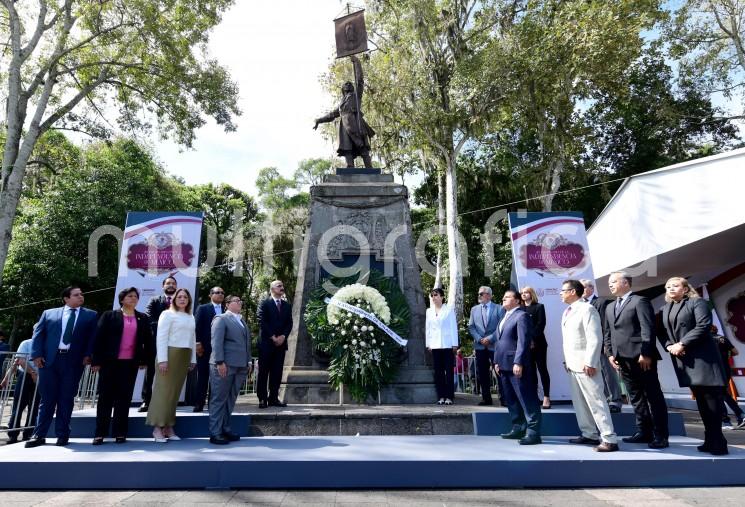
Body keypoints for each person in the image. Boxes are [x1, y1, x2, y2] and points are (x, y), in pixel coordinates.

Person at [662, 277, 728, 455]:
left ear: (685, 288)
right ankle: (709, 439)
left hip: (703, 359)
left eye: (675, 286)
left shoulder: (696, 302)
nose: (670, 289)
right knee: (701, 401)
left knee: (712, 402)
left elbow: (703, 325)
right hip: (685, 360)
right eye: (667, 287)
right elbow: (661, 331)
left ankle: (719, 442)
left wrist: (682, 343)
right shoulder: (666, 308)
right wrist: (669, 345)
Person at [26, 286, 98, 448]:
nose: (81, 297)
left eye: (81, 294)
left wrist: (88, 355)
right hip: (49, 361)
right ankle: (39, 435)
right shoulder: (49, 313)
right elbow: (39, 334)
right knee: (47, 399)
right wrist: (36, 355)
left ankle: (63, 434)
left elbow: (92, 338)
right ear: (66, 298)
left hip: (73, 362)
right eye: (76, 295)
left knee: (66, 399)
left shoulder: (91, 315)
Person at [604, 271, 669, 449]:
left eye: (614, 281)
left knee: (653, 396)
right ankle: (643, 431)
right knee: (635, 397)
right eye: (609, 282)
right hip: (621, 359)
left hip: (641, 357)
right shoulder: (610, 307)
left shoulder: (639, 301)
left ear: (626, 283)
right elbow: (608, 333)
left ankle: (661, 435)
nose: (610, 285)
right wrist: (610, 353)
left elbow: (647, 328)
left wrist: (646, 353)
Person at [560, 279, 619, 452]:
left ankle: (609, 438)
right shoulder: (567, 311)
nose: (561, 294)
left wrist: (591, 362)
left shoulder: (587, 309)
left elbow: (595, 338)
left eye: (563, 290)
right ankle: (589, 434)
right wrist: (567, 361)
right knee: (580, 403)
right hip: (573, 365)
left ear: (573, 292)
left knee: (597, 402)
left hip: (587, 365)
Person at [90, 287, 153, 445]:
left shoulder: (142, 318)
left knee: (124, 399)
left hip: (130, 364)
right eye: (130, 296)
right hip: (109, 363)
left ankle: (120, 432)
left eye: (135, 296)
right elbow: (99, 339)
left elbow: (148, 342)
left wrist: (144, 360)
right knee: (105, 398)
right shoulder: (109, 315)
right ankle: (100, 433)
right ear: (122, 299)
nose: (133, 298)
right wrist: (96, 361)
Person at [146, 288, 196, 442]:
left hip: (184, 355)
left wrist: (193, 359)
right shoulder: (167, 314)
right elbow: (161, 337)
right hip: (169, 354)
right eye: (179, 297)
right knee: (164, 392)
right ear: (174, 299)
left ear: (188, 300)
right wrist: (162, 359)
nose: (182, 299)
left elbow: (193, 339)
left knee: (175, 394)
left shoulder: (190, 316)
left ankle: (168, 427)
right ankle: (157, 428)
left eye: (185, 297)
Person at [494, 289, 541, 445]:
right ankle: (517, 427)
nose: (503, 299)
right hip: (503, 365)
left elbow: (523, 341)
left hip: (516, 365)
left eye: (507, 297)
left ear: (517, 301)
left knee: (526, 398)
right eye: (504, 296)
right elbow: (499, 341)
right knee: (511, 399)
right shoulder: (503, 317)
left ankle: (533, 432)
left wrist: (518, 362)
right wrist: (496, 362)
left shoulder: (522, 316)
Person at [313, 55, 375, 168]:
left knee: (362, 146)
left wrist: (356, 62)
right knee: (347, 148)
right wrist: (319, 120)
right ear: (342, 89)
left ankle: (369, 167)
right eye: (345, 84)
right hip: (345, 126)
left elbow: (360, 80)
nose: (348, 84)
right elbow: (331, 115)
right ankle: (349, 166)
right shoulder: (341, 105)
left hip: (356, 123)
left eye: (349, 83)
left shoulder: (356, 96)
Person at [208, 295, 251, 445]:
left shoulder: (241, 321)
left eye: (240, 301)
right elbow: (216, 342)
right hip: (224, 365)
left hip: (240, 366)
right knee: (219, 399)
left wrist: (248, 361)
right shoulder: (221, 318)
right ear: (227, 304)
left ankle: (225, 428)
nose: (239, 303)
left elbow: (246, 344)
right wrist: (219, 362)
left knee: (230, 399)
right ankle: (215, 432)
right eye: (236, 301)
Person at [581, 279, 623, 413]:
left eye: (581, 287)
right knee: (596, 374)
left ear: (590, 289)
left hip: (602, 345)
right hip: (588, 347)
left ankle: (615, 400)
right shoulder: (580, 305)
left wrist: (606, 344)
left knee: (608, 373)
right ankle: (604, 400)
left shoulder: (601, 302)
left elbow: (606, 325)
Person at [141, 276, 178, 412]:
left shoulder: (180, 301)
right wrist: (165, 326)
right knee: (150, 372)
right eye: (168, 283)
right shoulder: (155, 300)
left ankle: (166, 401)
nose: (171, 285)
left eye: (173, 283)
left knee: (171, 373)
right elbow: (148, 318)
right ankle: (146, 400)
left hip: (175, 343)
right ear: (163, 286)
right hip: (156, 342)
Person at [257, 280, 293, 408]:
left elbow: (289, 323)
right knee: (263, 372)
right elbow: (262, 321)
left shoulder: (287, 305)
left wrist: (283, 336)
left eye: (282, 285)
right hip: (267, 343)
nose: (282, 287)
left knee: (277, 373)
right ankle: (262, 398)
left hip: (281, 345)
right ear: (272, 289)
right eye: (279, 286)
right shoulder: (264, 303)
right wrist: (273, 337)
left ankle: (273, 398)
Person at [468, 286, 505, 406]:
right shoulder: (474, 309)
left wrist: (489, 339)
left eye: (481, 294)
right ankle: (486, 398)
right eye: (478, 293)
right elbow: (471, 327)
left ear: (489, 295)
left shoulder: (499, 308)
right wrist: (479, 339)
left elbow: (501, 326)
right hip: (480, 347)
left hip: (495, 346)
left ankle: (504, 398)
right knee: (482, 373)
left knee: (499, 372)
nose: (479, 296)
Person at [193, 286, 225, 413]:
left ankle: (213, 405)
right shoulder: (203, 308)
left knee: (217, 379)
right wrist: (198, 343)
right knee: (203, 377)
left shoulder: (226, 310)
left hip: (221, 351)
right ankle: (199, 404)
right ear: (210, 295)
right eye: (218, 292)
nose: (221, 294)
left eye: (222, 293)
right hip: (205, 349)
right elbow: (197, 327)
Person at [2, 336, 40, 444]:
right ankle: (13, 434)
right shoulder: (26, 343)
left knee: (34, 407)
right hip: (25, 376)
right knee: (18, 406)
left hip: (39, 377)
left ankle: (28, 434)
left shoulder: (45, 344)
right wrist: (6, 379)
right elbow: (19, 361)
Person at [425, 288, 459, 405]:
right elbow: (428, 328)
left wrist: (455, 343)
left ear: (442, 297)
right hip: (435, 345)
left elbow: (453, 327)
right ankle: (441, 396)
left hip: (447, 344)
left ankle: (449, 396)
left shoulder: (449, 310)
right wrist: (428, 344)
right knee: (438, 372)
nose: (434, 297)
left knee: (448, 372)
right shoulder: (428, 311)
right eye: (432, 295)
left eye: (436, 295)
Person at [520, 286, 551, 409]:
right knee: (531, 371)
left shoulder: (539, 307)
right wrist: (527, 341)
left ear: (531, 294)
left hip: (539, 344)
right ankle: (534, 397)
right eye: (522, 293)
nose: (523, 294)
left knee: (542, 369)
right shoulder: (520, 309)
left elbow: (540, 324)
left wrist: (532, 339)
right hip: (525, 345)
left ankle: (546, 397)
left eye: (526, 292)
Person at [713, 324, 745, 428]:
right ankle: (740, 415)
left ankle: (727, 421)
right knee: (723, 393)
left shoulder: (706, 341)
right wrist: (726, 354)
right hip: (725, 370)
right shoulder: (723, 339)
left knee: (719, 395)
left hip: (713, 371)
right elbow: (735, 352)